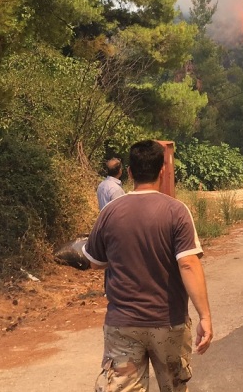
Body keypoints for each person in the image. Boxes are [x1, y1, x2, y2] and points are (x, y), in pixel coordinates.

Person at [84, 140, 213, 392]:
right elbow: (188, 264)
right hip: (169, 323)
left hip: (122, 325)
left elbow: (94, 262)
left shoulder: (110, 212)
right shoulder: (177, 211)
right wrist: (205, 317)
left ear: (130, 172)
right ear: (162, 171)